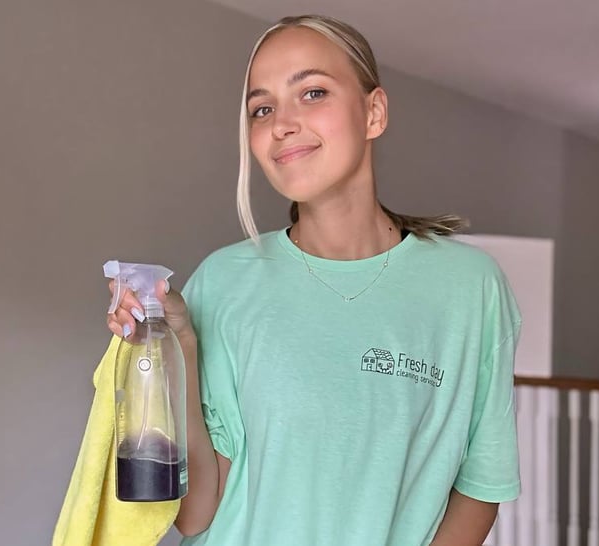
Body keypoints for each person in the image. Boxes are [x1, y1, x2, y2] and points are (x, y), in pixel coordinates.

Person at [106, 14, 521, 546]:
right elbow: (195, 515)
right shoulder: (224, 281)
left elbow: (481, 488)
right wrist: (178, 344)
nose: (281, 124)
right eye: (262, 109)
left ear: (374, 112)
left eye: (313, 93)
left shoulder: (469, 288)